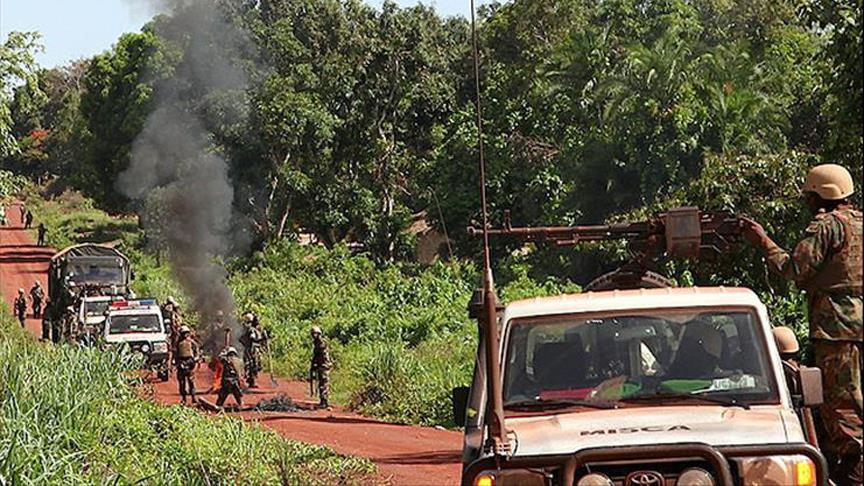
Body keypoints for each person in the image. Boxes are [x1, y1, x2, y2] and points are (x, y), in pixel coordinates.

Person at [740, 163, 862, 485]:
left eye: (809, 195)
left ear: (822, 195)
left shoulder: (826, 227)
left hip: (838, 331)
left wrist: (763, 241)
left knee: (844, 409)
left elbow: (795, 269)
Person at [240, 312, 267, 388]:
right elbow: (253, 339)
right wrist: (262, 338)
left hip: (252, 349)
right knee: (252, 365)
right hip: (251, 350)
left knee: (254, 365)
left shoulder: (249, 329)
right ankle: (250, 381)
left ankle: (251, 381)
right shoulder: (250, 329)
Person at [174, 326, 199, 405]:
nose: (185, 335)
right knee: (182, 383)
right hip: (181, 363)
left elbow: (197, 352)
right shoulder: (177, 343)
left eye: (186, 333)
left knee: (191, 382)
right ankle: (184, 399)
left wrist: (195, 359)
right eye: (183, 333)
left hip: (190, 363)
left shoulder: (191, 342)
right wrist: (175, 363)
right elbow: (175, 353)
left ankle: (194, 398)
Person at [310, 325, 332, 409]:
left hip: (324, 365)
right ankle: (322, 401)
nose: (314, 335)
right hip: (320, 365)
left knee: (324, 383)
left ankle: (325, 402)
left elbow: (319, 355)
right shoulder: (316, 342)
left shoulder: (321, 343)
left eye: (315, 334)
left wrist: (315, 364)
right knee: (321, 383)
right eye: (313, 334)